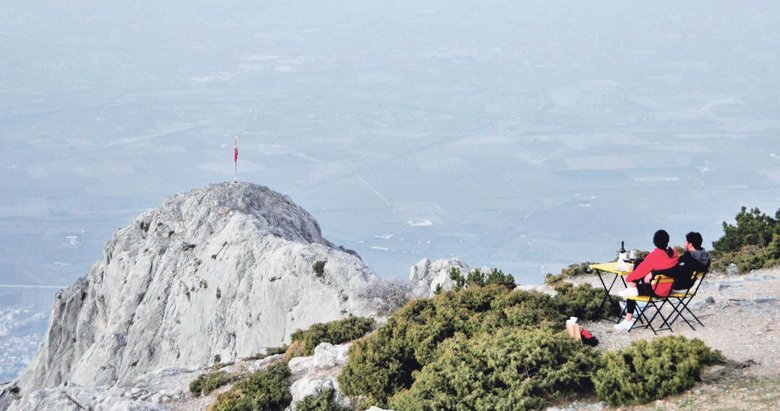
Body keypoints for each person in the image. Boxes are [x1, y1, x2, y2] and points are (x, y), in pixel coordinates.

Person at [614, 229, 678, 331]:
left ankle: (628, 320)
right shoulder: (673, 254)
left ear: (655, 242)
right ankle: (628, 317)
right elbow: (665, 267)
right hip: (667, 288)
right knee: (639, 263)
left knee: (631, 292)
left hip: (656, 290)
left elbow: (640, 271)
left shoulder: (656, 255)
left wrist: (630, 279)